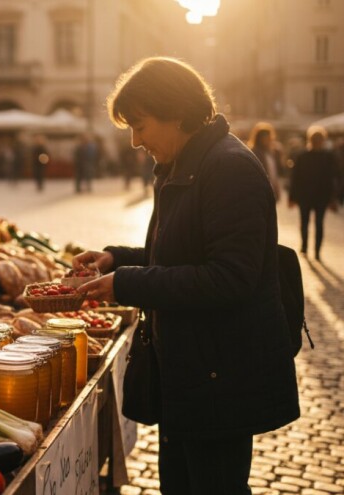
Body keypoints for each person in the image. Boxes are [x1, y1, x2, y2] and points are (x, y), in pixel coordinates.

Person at [74, 57, 299, 495]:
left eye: (140, 125)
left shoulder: (228, 168)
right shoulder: (184, 163)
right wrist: (115, 259)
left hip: (220, 377)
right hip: (190, 372)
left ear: (176, 112)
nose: (136, 141)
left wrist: (127, 283)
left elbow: (229, 277)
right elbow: (178, 253)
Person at [289, 125, 340, 261]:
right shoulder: (327, 157)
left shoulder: (303, 156)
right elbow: (333, 178)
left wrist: (292, 197)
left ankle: (306, 248)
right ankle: (314, 251)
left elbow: (295, 178)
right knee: (318, 224)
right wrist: (333, 198)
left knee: (307, 222)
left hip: (307, 196)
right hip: (320, 197)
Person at [247, 122, 283, 201]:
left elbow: (275, 173)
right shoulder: (253, 152)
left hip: (271, 189)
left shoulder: (272, 152)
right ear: (258, 138)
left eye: (268, 137)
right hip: (259, 190)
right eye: (263, 137)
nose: (266, 139)